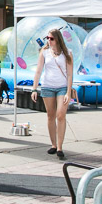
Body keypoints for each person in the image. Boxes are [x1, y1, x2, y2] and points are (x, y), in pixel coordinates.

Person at [32, 28, 74, 159]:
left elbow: (70, 74)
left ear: (58, 39)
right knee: (50, 115)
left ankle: (60, 146)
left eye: (51, 38)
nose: (49, 41)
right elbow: (38, 71)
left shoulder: (67, 53)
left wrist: (68, 92)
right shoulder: (44, 52)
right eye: (47, 38)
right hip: (47, 86)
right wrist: (34, 89)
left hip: (61, 86)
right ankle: (53, 144)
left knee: (60, 115)